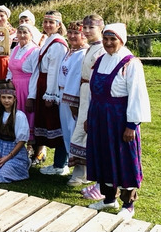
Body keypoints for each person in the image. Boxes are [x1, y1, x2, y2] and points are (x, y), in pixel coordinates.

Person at [86, 23, 151, 220]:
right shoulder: (100, 60)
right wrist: (90, 117)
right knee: (103, 156)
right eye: (105, 39)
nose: (108, 43)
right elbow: (93, 92)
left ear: (121, 40)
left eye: (112, 39)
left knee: (123, 160)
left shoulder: (130, 63)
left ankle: (128, 204)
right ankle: (108, 199)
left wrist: (132, 125)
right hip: (99, 116)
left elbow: (137, 95)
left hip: (119, 118)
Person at [27, 10, 68, 169]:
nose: (48, 25)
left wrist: (50, 95)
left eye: (52, 22)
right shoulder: (48, 40)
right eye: (45, 22)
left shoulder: (57, 44)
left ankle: (60, 163)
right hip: (42, 83)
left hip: (49, 85)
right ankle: (54, 161)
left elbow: (54, 71)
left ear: (59, 25)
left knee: (56, 124)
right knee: (47, 123)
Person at [70, 15, 106, 193]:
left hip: (95, 94)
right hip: (85, 92)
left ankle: (96, 178)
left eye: (91, 28)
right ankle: (81, 171)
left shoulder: (102, 50)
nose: (86, 31)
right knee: (81, 131)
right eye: (84, 27)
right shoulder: (91, 49)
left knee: (90, 132)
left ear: (100, 28)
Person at [51, 21, 88, 179]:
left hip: (73, 98)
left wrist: (73, 102)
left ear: (84, 36)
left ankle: (81, 171)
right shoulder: (72, 51)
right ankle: (76, 169)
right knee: (67, 132)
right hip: (63, 96)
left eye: (76, 34)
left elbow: (76, 78)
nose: (72, 36)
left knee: (75, 133)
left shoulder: (83, 53)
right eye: (70, 33)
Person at [0, 81, 31, 183]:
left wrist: (8, 157)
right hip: (0, 151)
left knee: (5, 172)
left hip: (14, 155)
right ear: (0, 98)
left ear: (14, 99)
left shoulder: (19, 116)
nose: (6, 101)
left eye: (9, 97)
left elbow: (21, 141)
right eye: (3, 97)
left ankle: (23, 165)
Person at [6, 24, 41, 147]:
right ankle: (16, 144)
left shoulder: (34, 51)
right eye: (19, 32)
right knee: (15, 115)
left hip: (27, 87)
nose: (21, 35)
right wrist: (9, 80)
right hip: (14, 87)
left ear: (31, 35)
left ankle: (30, 147)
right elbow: (10, 68)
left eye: (25, 33)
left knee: (28, 116)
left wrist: (31, 97)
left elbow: (36, 74)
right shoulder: (15, 49)